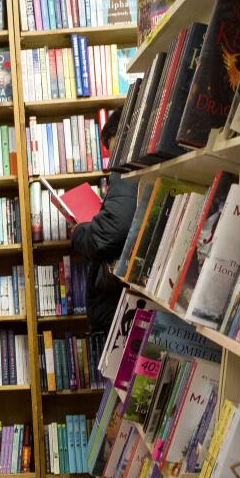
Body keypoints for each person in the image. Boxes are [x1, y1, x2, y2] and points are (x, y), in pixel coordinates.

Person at [70, 108, 137, 333]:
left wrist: (79, 231)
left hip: (120, 305)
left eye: (113, 148)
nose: (113, 160)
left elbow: (112, 232)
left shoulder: (128, 164)